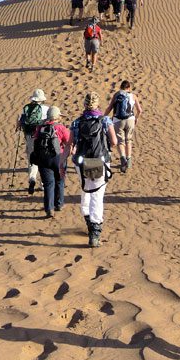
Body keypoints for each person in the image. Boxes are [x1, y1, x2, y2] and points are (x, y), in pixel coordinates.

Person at [70, 92, 118, 247]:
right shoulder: (105, 120)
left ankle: (88, 220)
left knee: (86, 190)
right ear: (97, 105)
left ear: (84, 104)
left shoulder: (77, 122)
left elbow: (70, 145)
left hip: (82, 162)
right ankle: (95, 233)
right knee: (97, 195)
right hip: (99, 160)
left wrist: (62, 163)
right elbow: (115, 141)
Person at [30, 106, 71, 218]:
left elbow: (35, 140)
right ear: (57, 116)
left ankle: (49, 209)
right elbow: (68, 141)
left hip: (43, 159)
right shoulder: (61, 128)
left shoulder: (40, 127)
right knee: (60, 181)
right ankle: (59, 204)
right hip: (59, 158)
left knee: (48, 184)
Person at [104, 80, 143, 173]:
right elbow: (140, 110)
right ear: (129, 88)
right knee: (128, 140)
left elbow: (110, 108)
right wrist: (136, 118)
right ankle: (128, 161)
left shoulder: (117, 95)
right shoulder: (133, 96)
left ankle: (122, 158)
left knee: (120, 141)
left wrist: (103, 117)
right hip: (130, 120)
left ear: (121, 87)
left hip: (118, 120)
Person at [16, 89, 49, 194]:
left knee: (32, 160)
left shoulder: (26, 109)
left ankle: (32, 179)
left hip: (30, 137)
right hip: (43, 138)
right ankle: (43, 184)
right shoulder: (46, 109)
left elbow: (20, 123)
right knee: (44, 160)